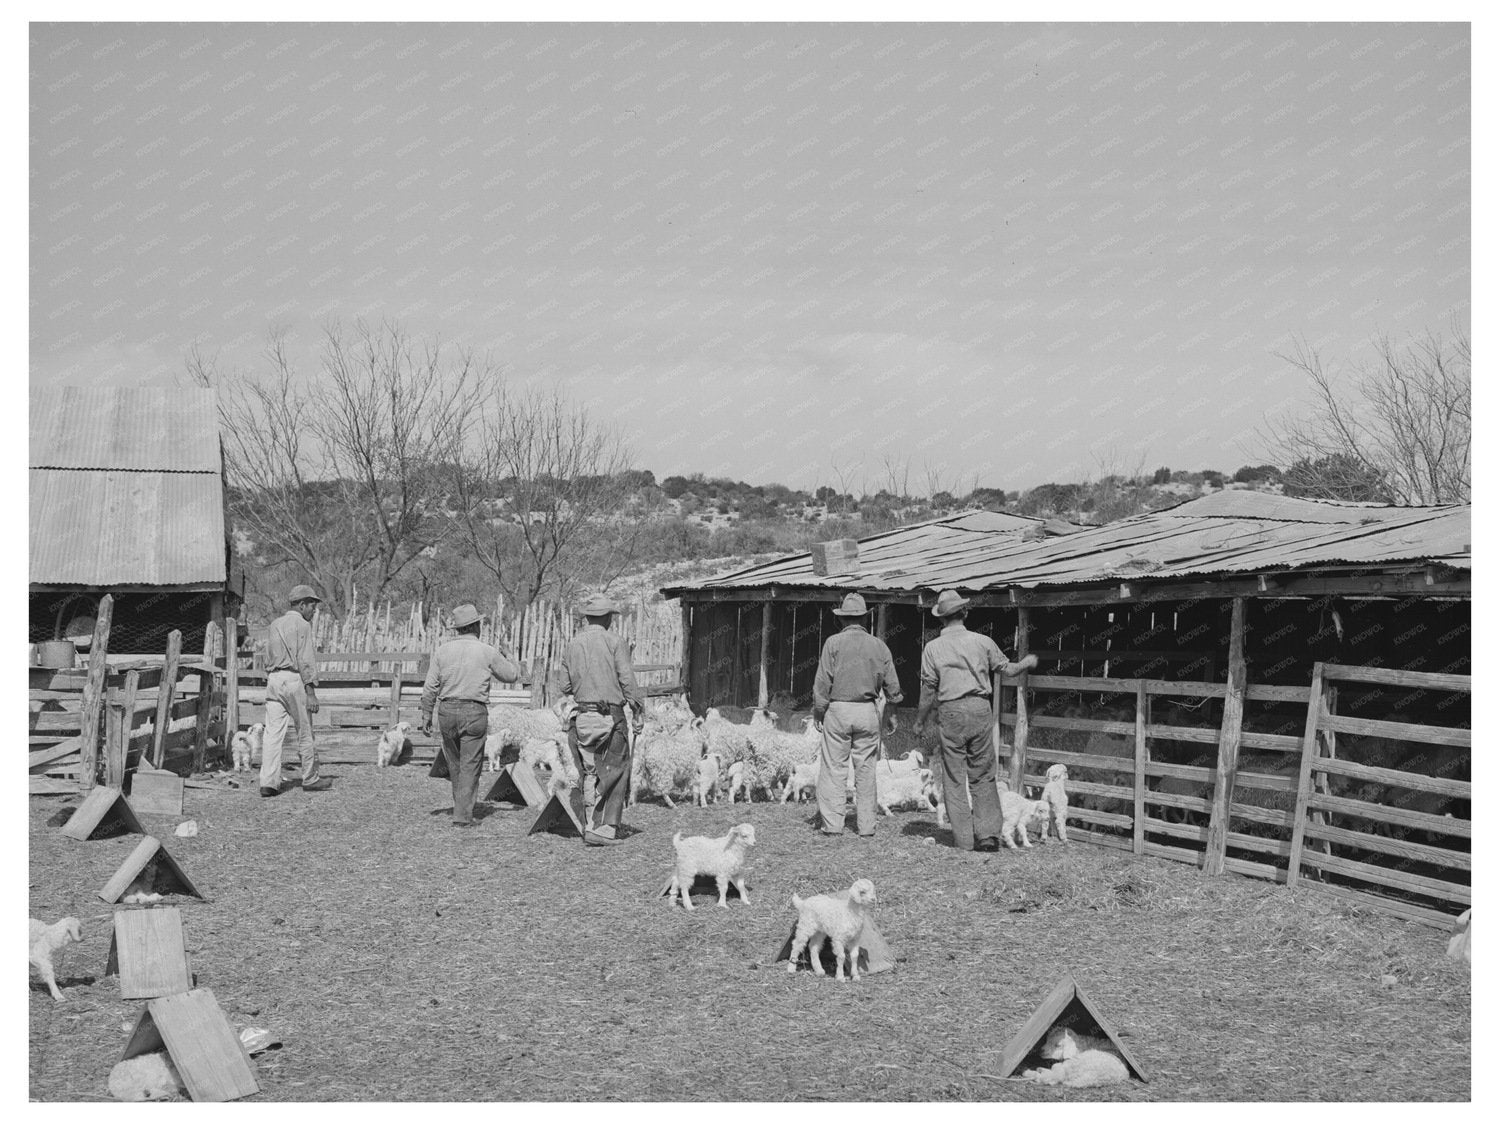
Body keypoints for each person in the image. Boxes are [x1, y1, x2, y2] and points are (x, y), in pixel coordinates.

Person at [913, 589, 1039, 852]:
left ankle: (963, 839)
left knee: (954, 776)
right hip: (981, 709)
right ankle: (988, 836)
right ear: (965, 613)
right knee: (983, 773)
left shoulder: (932, 648)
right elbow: (1009, 669)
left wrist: (919, 720)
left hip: (950, 712)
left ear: (941, 619)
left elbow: (928, 690)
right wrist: (1027, 661)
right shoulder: (983, 642)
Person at [420, 603, 521, 828]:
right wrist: (509, 656)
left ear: (457, 628)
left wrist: (427, 714)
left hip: (446, 711)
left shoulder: (442, 651)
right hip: (474, 711)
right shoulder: (486, 651)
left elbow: (429, 688)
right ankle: (463, 815)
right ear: (477, 625)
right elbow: (511, 676)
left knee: (454, 762)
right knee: (471, 764)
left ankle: (461, 806)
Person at [811, 592, 903, 837]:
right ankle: (867, 826)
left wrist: (819, 712)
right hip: (867, 711)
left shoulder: (832, 644)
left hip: (838, 710)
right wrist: (891, 713)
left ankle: (832, 825)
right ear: (864, 618)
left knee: (834, 768)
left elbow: (822, 683)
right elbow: (893, 686)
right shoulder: (879, 645)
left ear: (842, 620)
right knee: (866, 769)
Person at [561, 593, 643, 846]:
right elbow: (627, 680)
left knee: (589, 772)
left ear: (587, 618)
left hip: (583, 717)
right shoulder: (615, 641)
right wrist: (638, 708)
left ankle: (589, 823)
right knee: (616, 770)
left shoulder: (572, 644)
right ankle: (605, 828)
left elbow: (564, 685)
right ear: (608, 618)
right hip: (611, 717)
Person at [260, 584, 328, 797]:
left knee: (272, 733)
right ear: (301, 605)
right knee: (305, 729)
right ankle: (310, 778)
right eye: (311, 606)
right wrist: (311, 691)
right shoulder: (302, 625)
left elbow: (266, 655)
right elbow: (305, 659)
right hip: (293, 679)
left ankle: (268, 783)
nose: (314, 610)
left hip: (273, 679)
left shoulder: (274, 624)